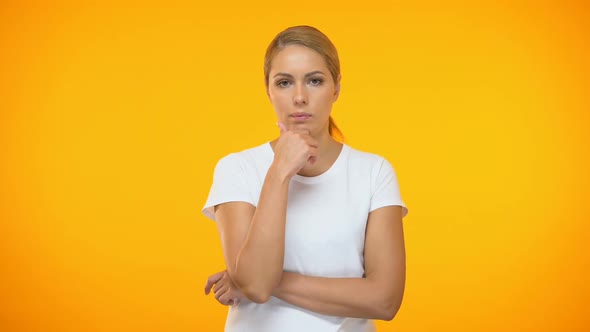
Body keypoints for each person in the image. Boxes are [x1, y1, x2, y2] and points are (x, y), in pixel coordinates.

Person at [201, 25, 408, 332]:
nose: (299, 97)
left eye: (314, 80)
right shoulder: (237, 169)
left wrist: (253, 278)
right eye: (284, 82)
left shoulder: (374, 172)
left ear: (336, 87)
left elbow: (385, 300)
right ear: (268, 89)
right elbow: (256, 285)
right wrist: (279, 171)